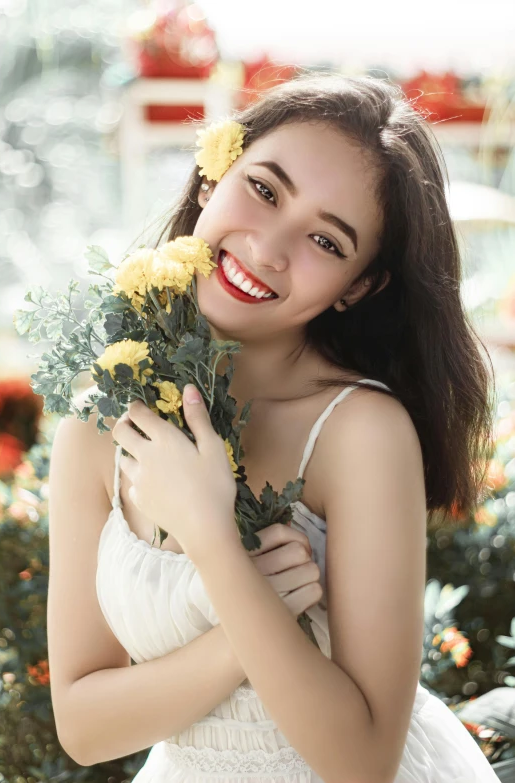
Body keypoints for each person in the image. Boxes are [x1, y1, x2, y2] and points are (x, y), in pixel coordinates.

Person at [47, 73, 500, 782]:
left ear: (359, 285)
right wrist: (244, 624)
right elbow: (82, 724)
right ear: (212, 177)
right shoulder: (100, 424)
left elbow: (362, 762)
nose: (267, 248)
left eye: (325, 238)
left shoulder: (360, 433)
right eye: (263, 189)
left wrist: (210, 537)